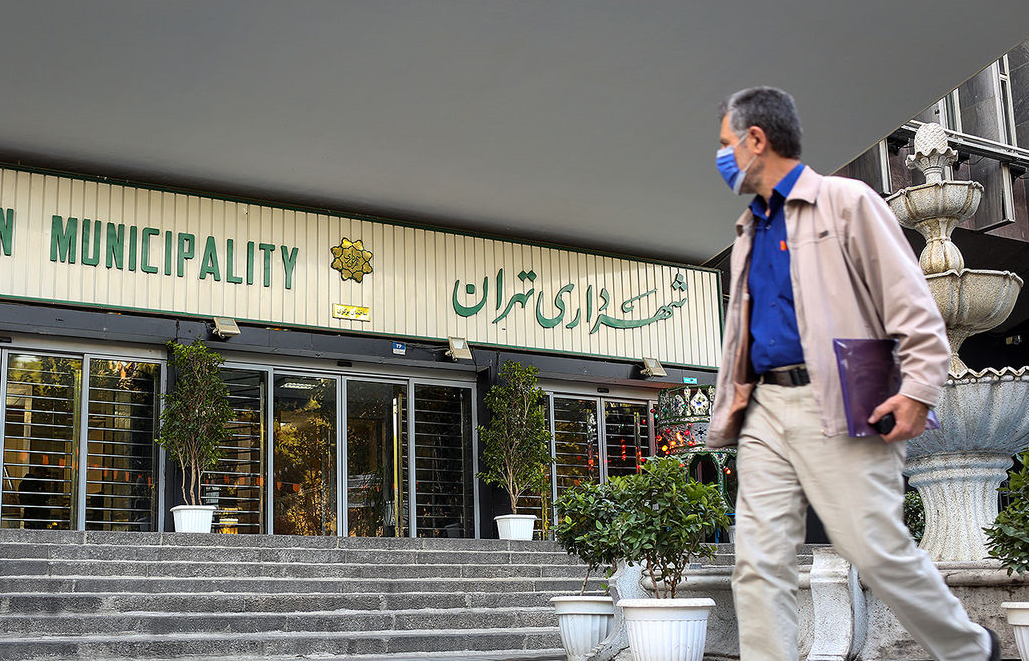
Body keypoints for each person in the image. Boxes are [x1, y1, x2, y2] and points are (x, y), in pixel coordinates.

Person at [706, 87, 1000, 661]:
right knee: (758, 563)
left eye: (725, 144)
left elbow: (913, 303)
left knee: (873, 548)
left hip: (839, 395)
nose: (721, 157)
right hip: (763, 410)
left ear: (756, 140)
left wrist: (919, 389)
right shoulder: (747, 231)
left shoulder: (846, 202)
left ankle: (969, 649)